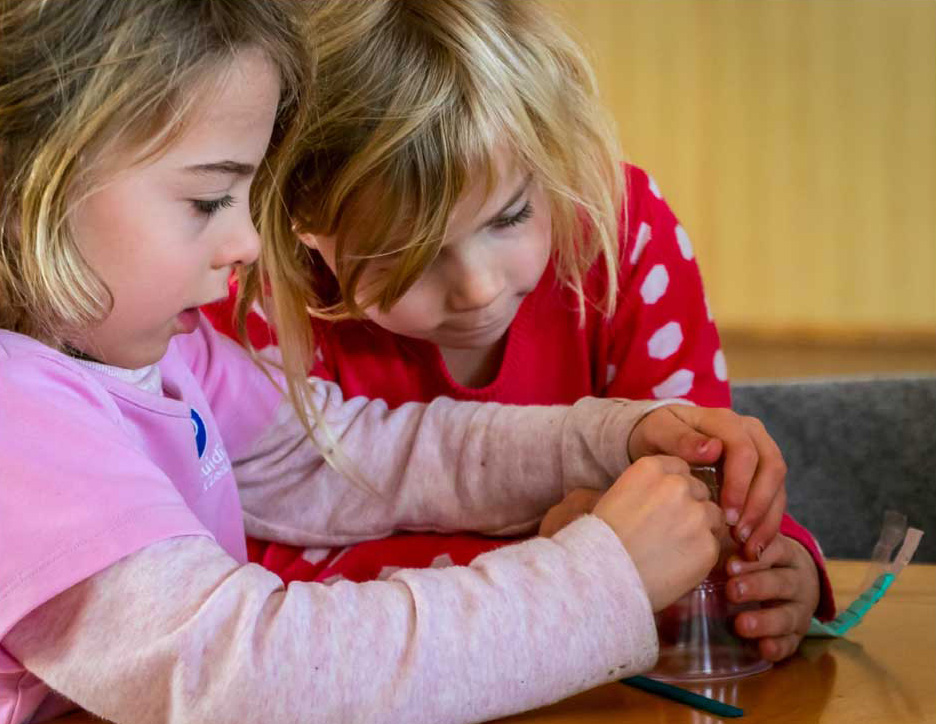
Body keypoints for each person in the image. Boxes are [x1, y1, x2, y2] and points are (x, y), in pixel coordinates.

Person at [1, 2, 789, 723]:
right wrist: (599, 580)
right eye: (209, 200)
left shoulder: (169, 356)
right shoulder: (19, 417)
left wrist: (612, 440)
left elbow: (348, 455)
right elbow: (249, 676)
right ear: (30, 181)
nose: (247, 241)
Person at [208, 0, 833, 665]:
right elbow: (267, 582)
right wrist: (560, 564)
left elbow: (696, 494)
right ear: (301, 222)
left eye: (509, 216)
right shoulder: (257, 287)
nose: (476, 287)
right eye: (408, 256)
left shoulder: (622, 232)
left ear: (551, 151)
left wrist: (767, 560)